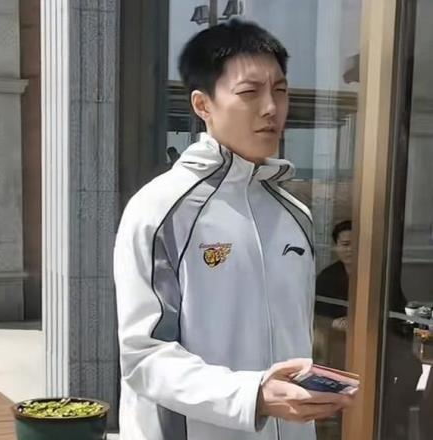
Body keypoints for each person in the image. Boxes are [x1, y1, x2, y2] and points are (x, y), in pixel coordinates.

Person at [114, 20, 353, 440]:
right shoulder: (160, 210)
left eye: (280, 90)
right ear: (203, 105)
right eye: (249, 92)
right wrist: (252, 396)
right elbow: (144, 357)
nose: (271, 108)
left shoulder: (295, 214)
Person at [315, 220, 352, 329]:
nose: (351, 249)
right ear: (336, 247)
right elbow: (316, 315)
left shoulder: (378, 276)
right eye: (346, 244)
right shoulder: (327, 277)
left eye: (357, 244)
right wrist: (332, 322)